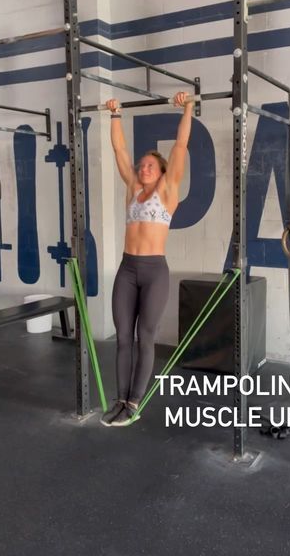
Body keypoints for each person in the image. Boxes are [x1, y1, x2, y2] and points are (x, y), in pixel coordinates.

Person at [101, 92, 194, 427]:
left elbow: (180, 144)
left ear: (162, 171)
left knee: (145, 336)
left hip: (154, 271)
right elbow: (120, 150)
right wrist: (115, 114)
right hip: (127, 269)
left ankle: (135, 402)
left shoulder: (167, 191)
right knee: (123, 336)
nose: (143, 167)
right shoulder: (131, 189)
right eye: (141, 165)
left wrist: (188, 105)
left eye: (150, 165)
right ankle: (120, 400)